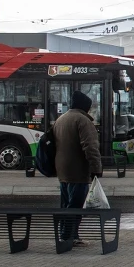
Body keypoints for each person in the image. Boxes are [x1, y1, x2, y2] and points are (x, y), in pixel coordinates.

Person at [53, 90, 102, 247]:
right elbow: (91, 147)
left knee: (66, 204)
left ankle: (68, 234)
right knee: (75, 206)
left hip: (62, 169)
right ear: (84, 107)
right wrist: (96, 168)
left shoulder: (61, 119)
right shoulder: (82, 121)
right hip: (77, 170)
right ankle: (68, 236)